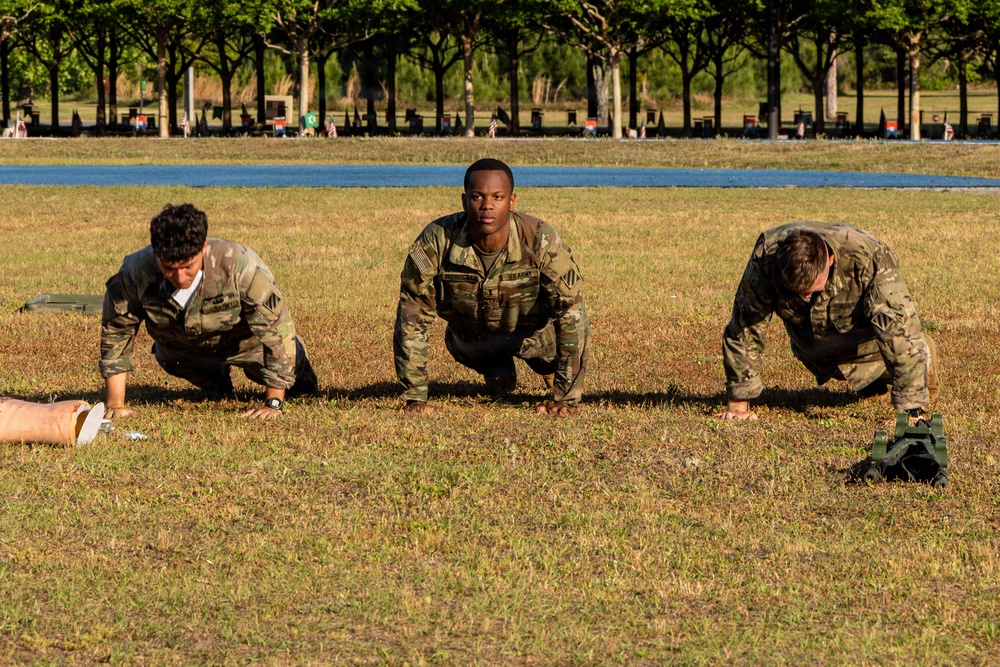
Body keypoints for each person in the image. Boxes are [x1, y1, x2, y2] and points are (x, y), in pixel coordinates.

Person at [394, 158, 589, 415]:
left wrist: (567, 398)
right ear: (464, 201)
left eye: (497, 197)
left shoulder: (539, 238)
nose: (487, 205)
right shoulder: (437, 239)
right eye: (477, 196)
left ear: (512, 201)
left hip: (536, 337)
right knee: (499, 382)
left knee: (549, 356)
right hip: (472, 339)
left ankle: (547, 370)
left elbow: (571, 312)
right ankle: (497, 368)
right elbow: (413, 314)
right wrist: (415, 397)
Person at [100, 203, 318, 419]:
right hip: (183, 348)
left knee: (298, 386)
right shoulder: (135, 272)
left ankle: (298, 370)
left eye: (188, 267)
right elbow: (117, 333)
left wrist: (273, 403)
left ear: (203, 247)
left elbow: (276, 331)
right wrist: (115, 404)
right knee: (169, 358)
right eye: (169, 268)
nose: (179, 277)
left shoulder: (239, 265)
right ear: (156, 254)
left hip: (249, 345)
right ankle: (216, 382)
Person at [719, 221, 939, 421]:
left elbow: (899, 331)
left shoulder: (870, 259)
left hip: (867, 345)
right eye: (798, 292)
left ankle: (915, 357)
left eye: (811, 290)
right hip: (813, 348)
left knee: (905, 347)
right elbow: (745, 327)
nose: (805, 297)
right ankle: (866, 380)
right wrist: (738, 403)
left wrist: (911, 412)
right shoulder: (767, 257)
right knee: (836, 364)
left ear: (830, 260)